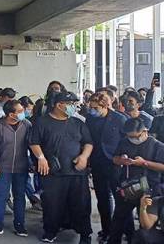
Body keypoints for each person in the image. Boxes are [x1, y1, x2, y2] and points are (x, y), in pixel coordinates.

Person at [30, 91, 94, 244]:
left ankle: (85, 234)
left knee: (81, 204)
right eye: (70, 104)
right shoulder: (42, 122)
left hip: (77, 172)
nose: (74, 107)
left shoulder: (78, 123)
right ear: (59, 105)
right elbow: (34, 142)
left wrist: (84, 156)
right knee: (52, 204)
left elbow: (88, 143)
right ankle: (50, 232)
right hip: (53, 173)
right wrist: (41, 157)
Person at [107, 120, 164, 244]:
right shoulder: (124, 142)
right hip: (127, 187)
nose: (133, 139)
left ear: (144, 131)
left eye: (135, 136)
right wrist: (121, 160)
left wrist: (144, 163)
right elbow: (115, 159)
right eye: (129, 137)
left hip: (148, 189)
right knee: (118, 219)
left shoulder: (157, 146)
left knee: (146, 224)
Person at [85, 93, 127, 243]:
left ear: (105, 106)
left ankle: (124, 230)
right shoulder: (90, 118)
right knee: (102, 198)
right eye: (90, 108)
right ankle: (107, 229)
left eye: (95, 108)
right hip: (97, 163)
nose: (92, 110)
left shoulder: (119, 119)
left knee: (120, 198)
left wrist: (123, 158)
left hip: (115, 163)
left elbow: (126, 140)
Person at [0, 100, 32, 238]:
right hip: (2, 168)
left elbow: (33, 144)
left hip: (21, 167)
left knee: (19, 197)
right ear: (11, 114)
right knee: (0, 197)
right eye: (20, 111)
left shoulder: (27, 125)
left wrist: (35, 162)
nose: (23, 112)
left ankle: (20, 225)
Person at [19, 96, 42, 209]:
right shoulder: (29, 122)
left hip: (29, 155)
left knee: (29, 179)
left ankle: (36, 199)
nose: (29, 111)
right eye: (28, 109)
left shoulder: (29, 122)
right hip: (22, 155)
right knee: (25, 180)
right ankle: (35, 199)